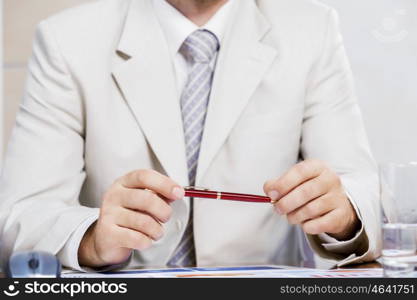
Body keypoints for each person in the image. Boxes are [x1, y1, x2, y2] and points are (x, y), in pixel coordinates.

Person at [0, 0, 380, 271]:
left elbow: (369, 195)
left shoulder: (312, 30)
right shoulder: (66, 40)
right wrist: (93, 239)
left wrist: (345, 215)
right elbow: (21, 216)